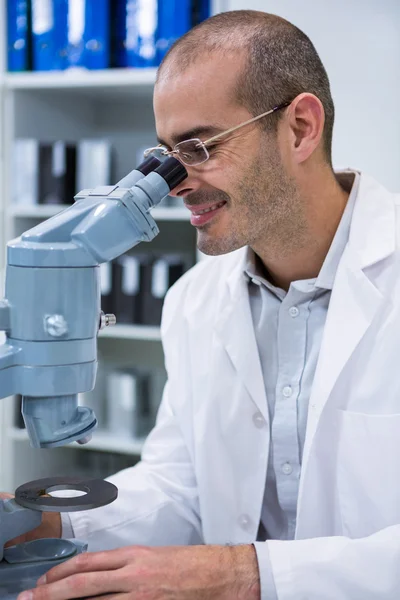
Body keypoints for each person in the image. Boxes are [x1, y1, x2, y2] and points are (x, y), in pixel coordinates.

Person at [8, 8, 400, 600]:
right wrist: (49, 522)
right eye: (162, 154)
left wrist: (247, 575)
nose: (175, 182)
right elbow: (179, 486)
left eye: (197, 146)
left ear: (299, 128)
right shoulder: (195, 299)